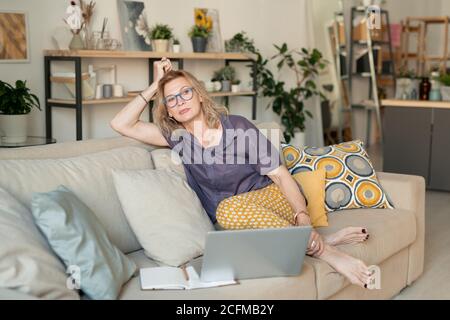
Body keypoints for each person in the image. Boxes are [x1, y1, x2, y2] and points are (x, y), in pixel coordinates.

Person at [111, 57, 373, 288]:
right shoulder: (178, 138)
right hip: (239, 222)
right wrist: (154, 86)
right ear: (168, 110)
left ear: (200, 95)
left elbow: (281, 176)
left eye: (186, 92)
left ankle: (325, 250)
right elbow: (120, 123)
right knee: (232, 224)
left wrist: (303, 218)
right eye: (172, 99)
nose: (180, 102)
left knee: (228, 210)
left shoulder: (238, 127)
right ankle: (324, 241)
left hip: (272, 199)